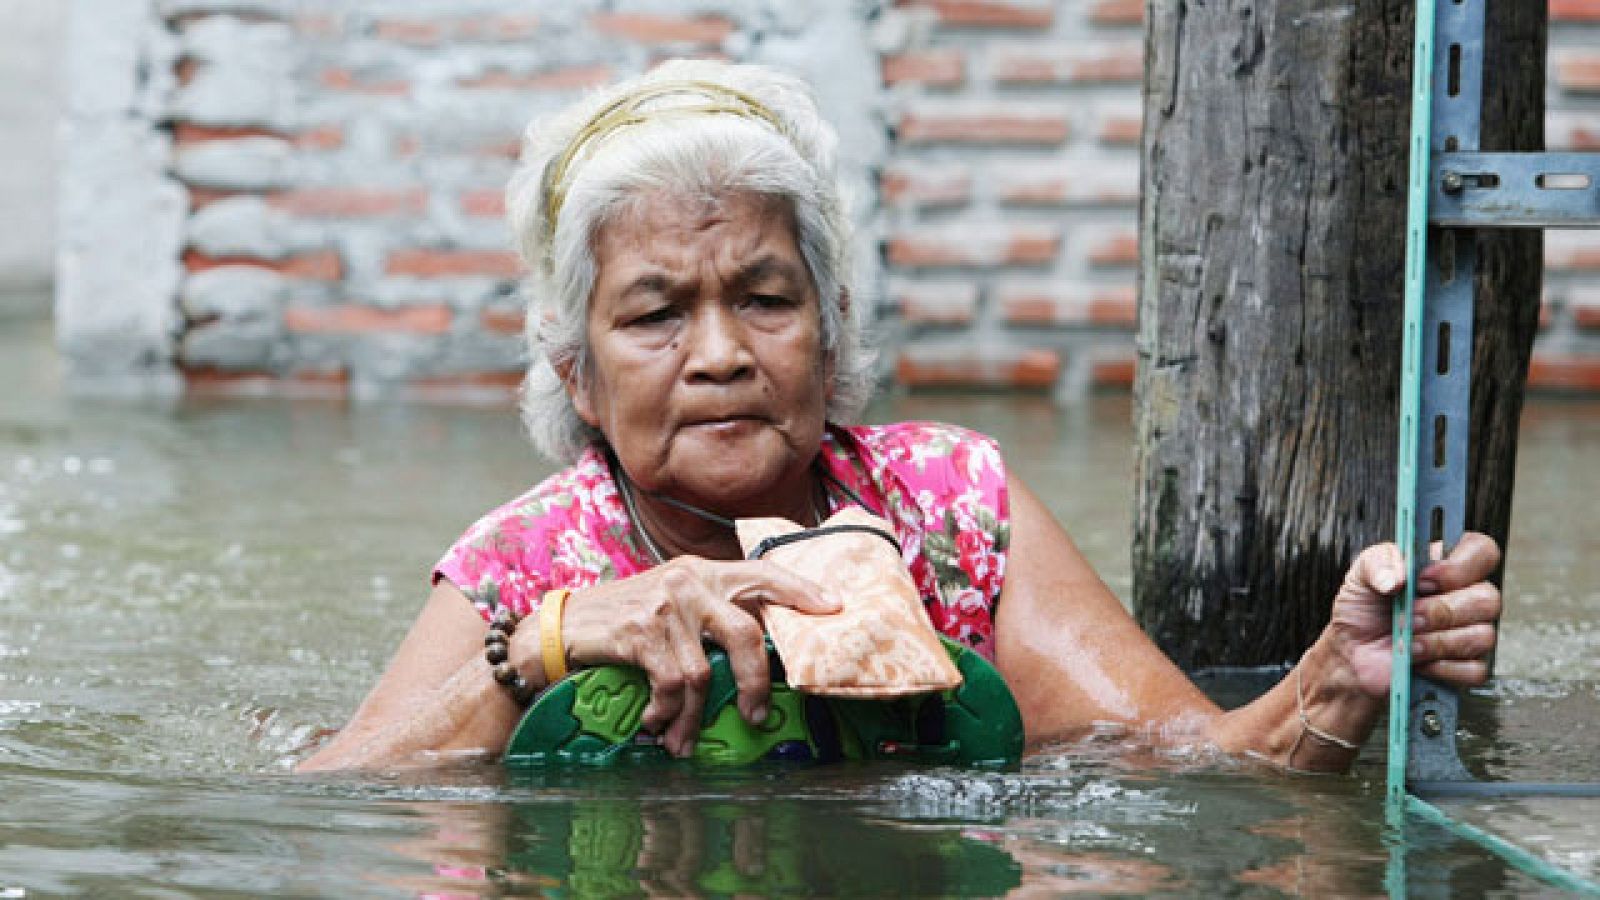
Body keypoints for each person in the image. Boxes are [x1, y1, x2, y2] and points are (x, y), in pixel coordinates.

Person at [297, 59, 1501, 774]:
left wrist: (1334, 686)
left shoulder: (949, 506)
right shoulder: (527, 563)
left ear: (830, 332)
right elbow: (334, 806)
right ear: (578, 378)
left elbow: (1185, 771)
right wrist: (550, 646)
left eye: (765, 298)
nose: (720, 354)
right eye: (655, 315)